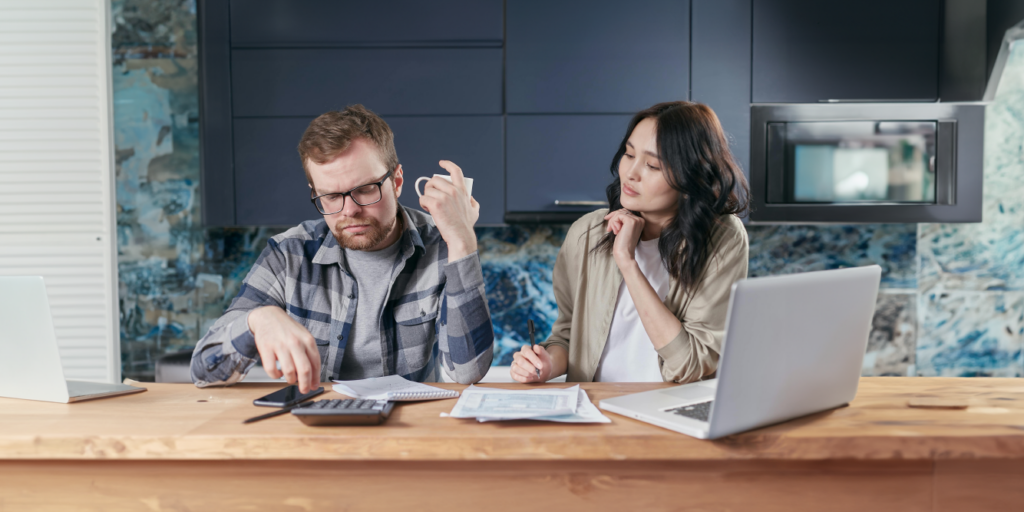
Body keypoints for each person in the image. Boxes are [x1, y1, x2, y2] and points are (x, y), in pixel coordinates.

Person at [191, 104, 494, 391]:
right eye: (331, 197)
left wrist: (462, 239)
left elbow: (466, 372)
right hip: (317, 433)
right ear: (315, 193)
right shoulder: (289, 255)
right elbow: (203, 371)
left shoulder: (443, 246)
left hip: (409, 433)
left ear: (397, 181)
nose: (349, 210)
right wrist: (256, 321)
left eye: (365, 190)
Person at [511, 101, 749, 384]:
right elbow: (568, 335)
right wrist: (547, 364)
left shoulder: (722, 238)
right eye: (628, 154)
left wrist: (627, 262)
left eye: (652, 165)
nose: (630, 173)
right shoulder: (588, 232)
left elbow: (691, 363)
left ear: (691, 177)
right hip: (596, 411)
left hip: (672, 416)